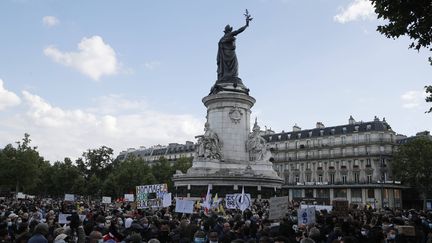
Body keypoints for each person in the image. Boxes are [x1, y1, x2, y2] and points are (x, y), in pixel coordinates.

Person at [217, 12, 252, 83]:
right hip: (231, 54)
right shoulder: (230, 34)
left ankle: (225, 76)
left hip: (224, 56)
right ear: (229, 30)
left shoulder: (222, 39)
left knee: (226, 67)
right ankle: (230, 77)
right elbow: (239, 30)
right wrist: (246, 25)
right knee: (234, 66)